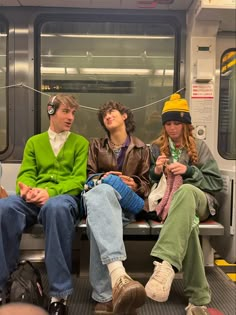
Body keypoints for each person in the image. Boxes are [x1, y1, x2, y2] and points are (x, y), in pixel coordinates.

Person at [0, 94, 89, 315]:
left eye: (73, 113)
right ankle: (6, 285)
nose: (70, 117)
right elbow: (28, 173)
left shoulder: (80, 143)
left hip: (64, 198)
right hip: (34, 198)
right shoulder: (34, 142)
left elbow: (78, 180)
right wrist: (26, 189)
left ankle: (59, 294)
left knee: (55, 208)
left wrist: (50, 192)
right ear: (51, 112)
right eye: (65, 111)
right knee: (5, 207)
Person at [145, 94, 223, 315]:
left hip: (201, 200)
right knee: (188, 224)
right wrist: (156, 171)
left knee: (186, 191)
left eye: (176, 123)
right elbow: (149, 183)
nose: (172, 128)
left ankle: (166, 263)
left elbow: (215, 183)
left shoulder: (200, 147)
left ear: (185, 124)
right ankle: (198, 298)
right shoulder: (156, 148)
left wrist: (189, 171)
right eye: (168, 124)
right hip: (171, 204)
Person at [82, 100, 151, 314]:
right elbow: (88, 177)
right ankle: (119, 276)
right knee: (102, 194)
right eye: (104, 115)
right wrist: (104, 177)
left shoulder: (141, 148)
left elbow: (147, 184)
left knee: (98, 220)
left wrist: (135, 183)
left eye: (112, 112)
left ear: (124, 116)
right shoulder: (95, 145)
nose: (107, 116)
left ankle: (106, 295)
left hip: (126, 206)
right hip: (100, 199)